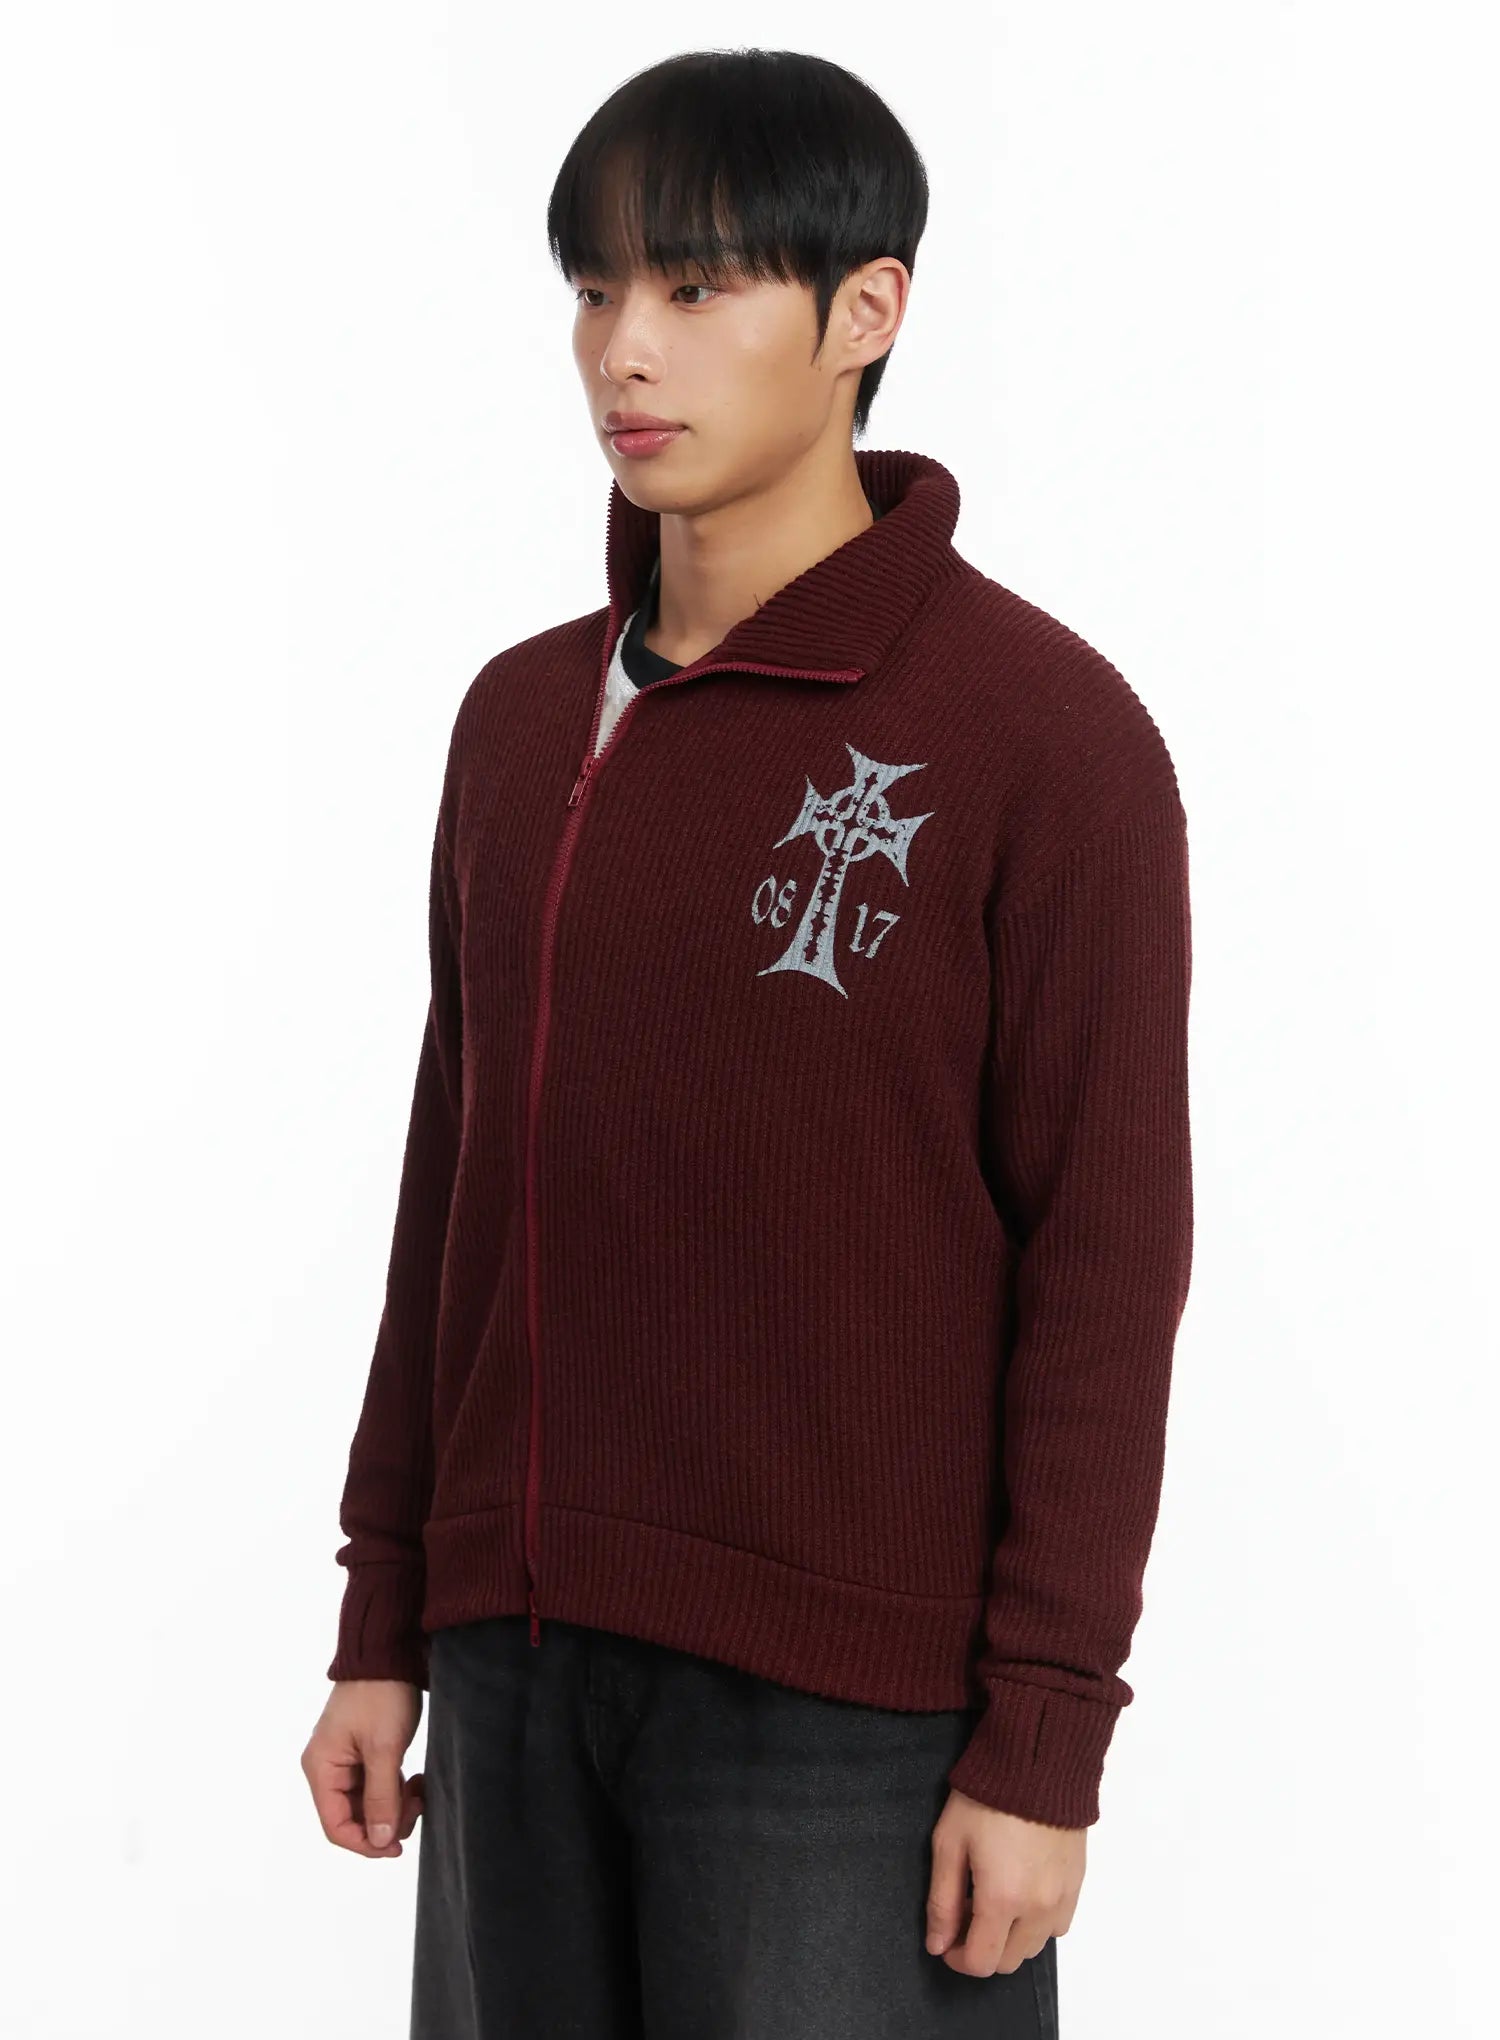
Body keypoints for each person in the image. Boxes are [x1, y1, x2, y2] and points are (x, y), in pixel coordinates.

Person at [300, 46, 1193, 2040]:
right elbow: (456, 1184)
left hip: (847, 1714)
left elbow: (1106, 1263)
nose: (627, 350)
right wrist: (386, 1613)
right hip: (513, 1667)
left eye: (697, 288)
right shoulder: (519, 723)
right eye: (596, 289)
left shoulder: (1042, 736)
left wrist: (1046, 1733)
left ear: (865, 311)